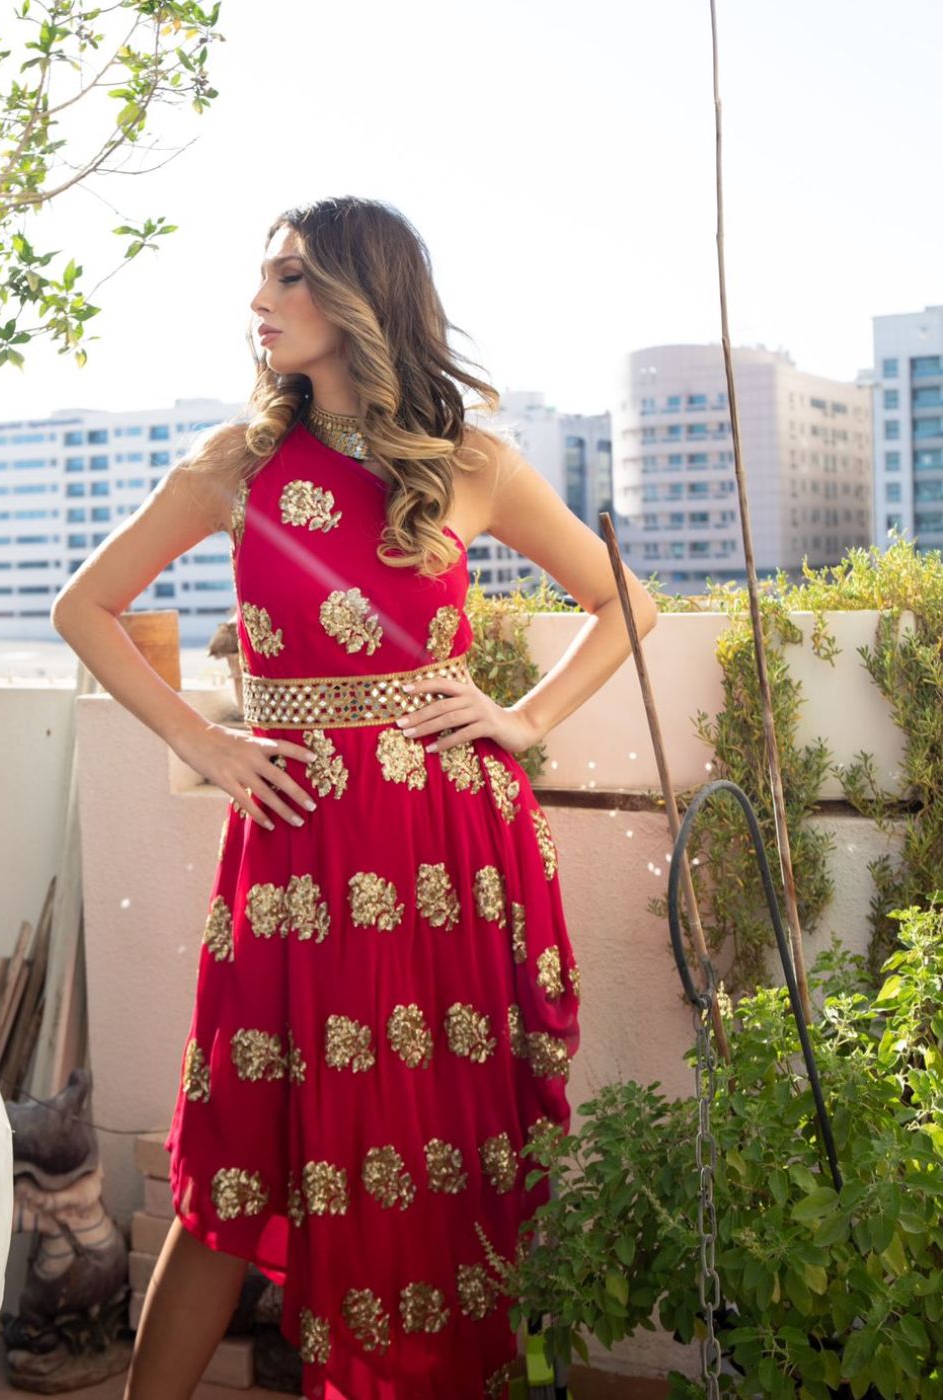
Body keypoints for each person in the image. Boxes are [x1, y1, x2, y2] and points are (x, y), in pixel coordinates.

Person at [51, 194, 659, 1400]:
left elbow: (628, 604)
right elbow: (86, 605)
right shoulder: (239, 462)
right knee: (233, 1159)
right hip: (290, 851)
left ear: (354, 293)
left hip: (441, 845)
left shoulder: (469, 463)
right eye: (263, 278)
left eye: (287, 277)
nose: (261, 302)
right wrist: (209, 742)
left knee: (431, 1161)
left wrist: (523, 718)